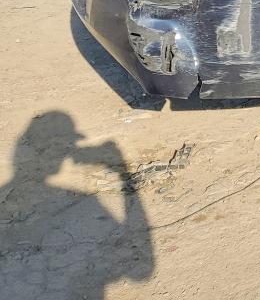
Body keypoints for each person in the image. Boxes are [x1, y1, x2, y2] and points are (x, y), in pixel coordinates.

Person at [0, 111, 154, 299]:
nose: (68, 152)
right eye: (66, 146)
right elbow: (142, 271)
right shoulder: (85, 199)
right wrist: (123, 173)